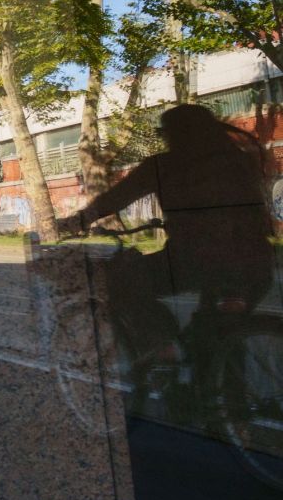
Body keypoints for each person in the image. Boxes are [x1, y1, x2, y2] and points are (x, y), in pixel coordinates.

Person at [62, 103, 276, 365]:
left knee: (121, 277)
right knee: (221, 337)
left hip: (198, 261)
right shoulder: (240, 160)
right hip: (256, 264)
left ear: (175, 134)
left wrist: (72, 223)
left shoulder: (165, 166)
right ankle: (223, 380)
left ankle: (163, 345)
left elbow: (113, 200)